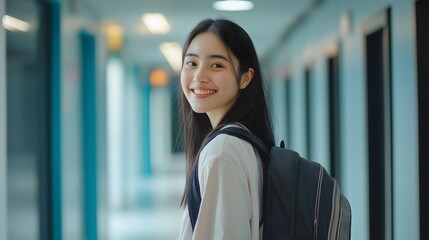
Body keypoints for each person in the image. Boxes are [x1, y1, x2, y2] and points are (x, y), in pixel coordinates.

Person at [178, 18, 274, 240]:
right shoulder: (241, 142)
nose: (199, 77)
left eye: (217, 65)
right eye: (191, 63)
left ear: (245, 77)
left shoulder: (222, 151)